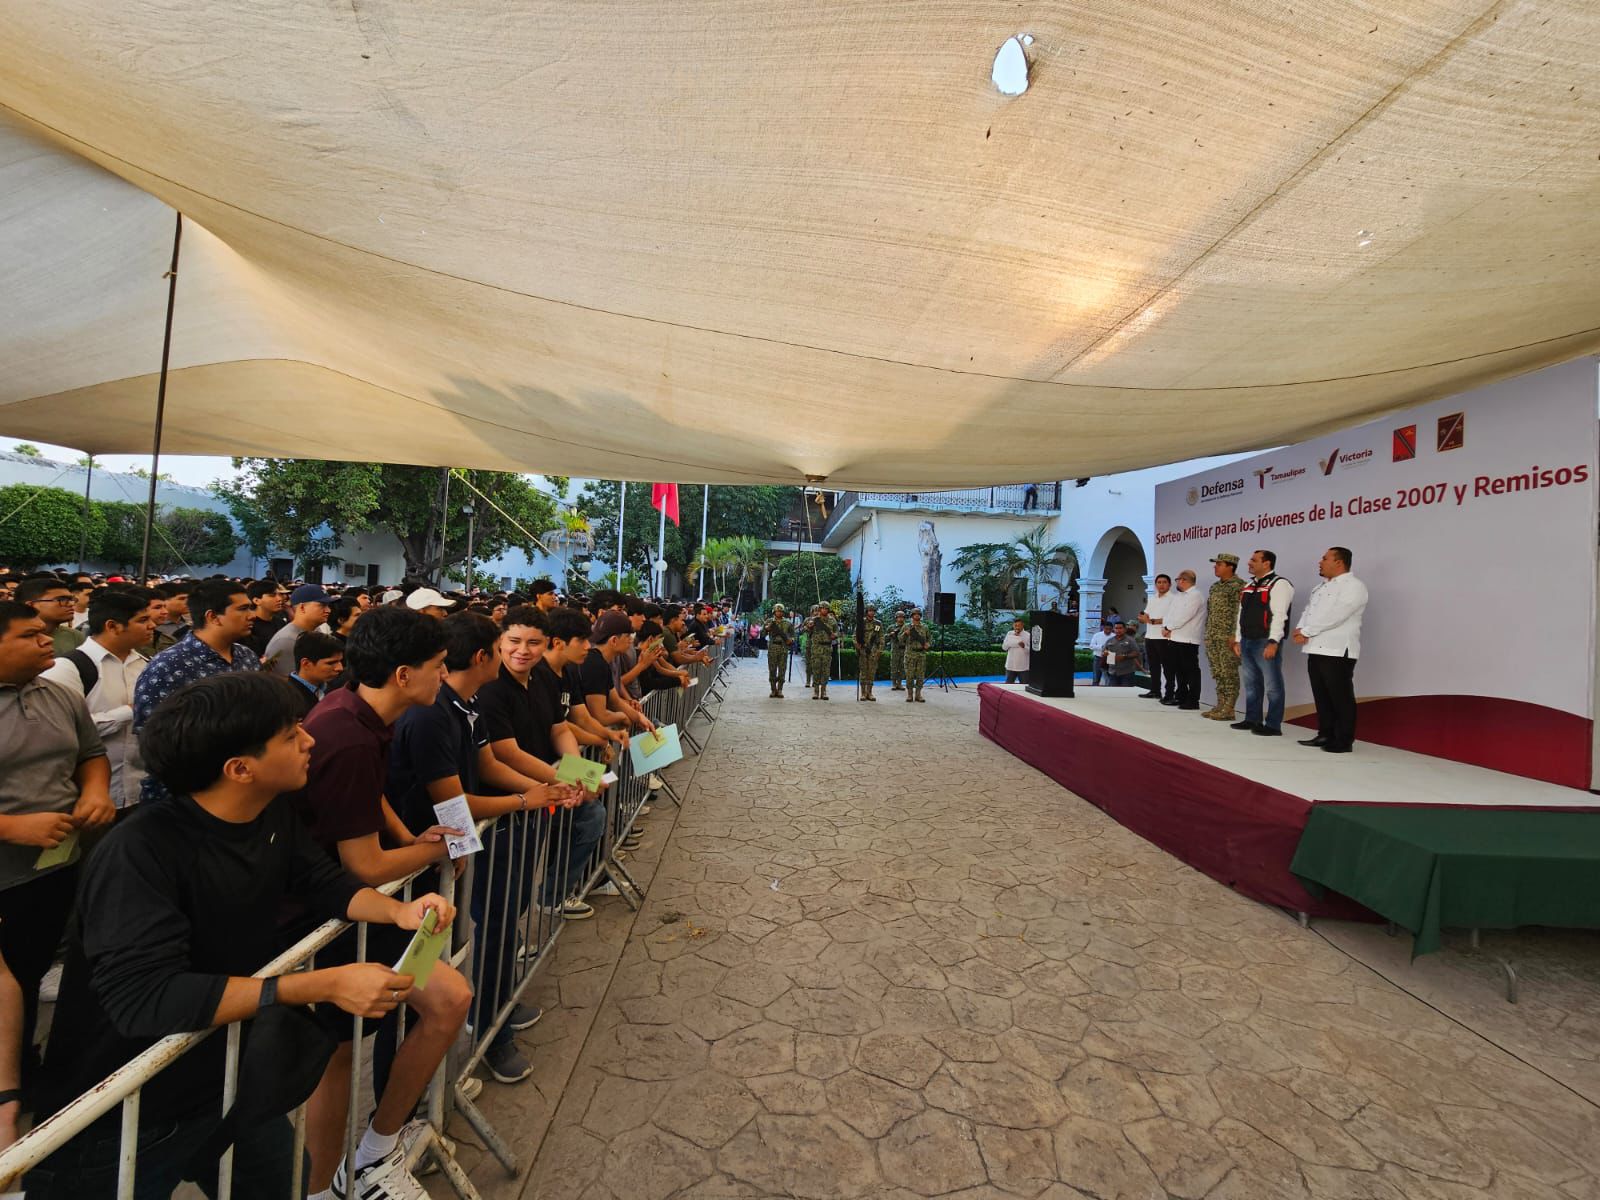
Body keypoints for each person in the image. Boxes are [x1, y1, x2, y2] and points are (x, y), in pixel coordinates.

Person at [29, 672, 457, 1200]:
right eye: (291, 735)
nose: (310, 740)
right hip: (117, 1113)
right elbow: (147, 998)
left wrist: (400, 911)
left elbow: (322, 883)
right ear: (239, 769)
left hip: (226, 1081)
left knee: (284, 1183)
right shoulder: (139, 852)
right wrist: (323, 985)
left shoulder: (270, 812)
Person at [294, 605, 471, 1200]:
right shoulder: (345, 735)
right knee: (340, 1056)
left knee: (440, 1003)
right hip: (332, 915)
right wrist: (429, 852)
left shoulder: (361, 712)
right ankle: (333, 1181)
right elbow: (364, 866)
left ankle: (371, 1153)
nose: (443, 676)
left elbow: (370, 799)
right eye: (438, 665)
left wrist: (410, 838)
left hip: (354, 907)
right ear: (402, 674)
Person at [387, 612, 577, 1084]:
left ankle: (490, 1017)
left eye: (534, 641)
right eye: (508, 643)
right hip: (425, 862)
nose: (520, 652)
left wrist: (563, 783)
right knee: (424, 975)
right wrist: (527, 799)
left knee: (483, 937)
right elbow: (454, 800)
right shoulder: (434, 711)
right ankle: (433, 1082)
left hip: (456, 852)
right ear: (484, 655)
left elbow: (489, 762)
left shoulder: (474, 700)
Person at [0, 600, 114, 1102]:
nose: (48, 639)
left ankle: (24, 1068)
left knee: (29, 970)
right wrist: (11, 827)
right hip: (5, 872)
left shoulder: (60, 694)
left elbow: (92, 754)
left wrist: (95, 791)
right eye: (30, 635)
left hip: (54, 866)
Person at [477, 606, 607, 921]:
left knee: (521, 888)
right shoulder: (492, 686)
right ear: (500, 641)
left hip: (539, 795)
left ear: (546, 643)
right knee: (499, 899)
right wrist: (565, 781)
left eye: (533, 643)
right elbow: (507, 752)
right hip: (504, 802)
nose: (522, 650)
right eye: (514, 641)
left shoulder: (543, 677)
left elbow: (559, 729)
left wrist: (582, 775)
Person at [133, 580, 261, 802]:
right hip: (185, 793)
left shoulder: (247, 657)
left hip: (242, 785)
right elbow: (152, 736)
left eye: (251, 608)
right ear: (213, 617)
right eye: (243, 609)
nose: (252, 615)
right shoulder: (168, 665)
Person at [39, 586, 157, 811]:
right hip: (89, 799)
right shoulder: (69, 667)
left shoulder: (145, 664)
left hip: (139, 792)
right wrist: (130, 711)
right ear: (112, 626)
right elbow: (61, 731)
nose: (152, 626)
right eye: (143, 620)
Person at [1292, 547, 1368, 754]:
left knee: (1340, 697)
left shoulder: (1354, 586)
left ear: (1339, 562)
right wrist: (1300, 628)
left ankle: (1343, 740)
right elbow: (1308, 610)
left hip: (1337, 650)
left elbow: (1336, 615)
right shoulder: (1320, 586)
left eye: (1325, 558)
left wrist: (1306, 631)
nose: (1320, 562)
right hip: (1315, 647)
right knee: (1322, 695)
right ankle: (1325, 734)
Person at [1230, 549, 1296, 736]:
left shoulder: (1280, 584)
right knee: (1251, 684)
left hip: (1265, 640)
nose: (1249, 563)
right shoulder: (1249, 585)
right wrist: (1238, 639)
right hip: (1247, 640)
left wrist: (1273, 641)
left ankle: (1273, 725)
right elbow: (1241, 614)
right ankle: (1252, 719)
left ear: (1266, 563)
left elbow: (1280, 615)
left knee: (1273, 685)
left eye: (1254, 560)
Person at [1201, 555, 1245, 720]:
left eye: (1219, 564)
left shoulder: (1239, 586)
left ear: (1230, 566)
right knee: (1217, 672)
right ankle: (1220, 704)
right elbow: (1210, 611)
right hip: (1213, 636)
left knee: (1229, 672)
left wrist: (1235, 635)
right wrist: (1208, 633)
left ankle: (1229, 708)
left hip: (1228, 637)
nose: (1215, 567)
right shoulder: (1215, 587)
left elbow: (1240, 612)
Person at [261, 583, 333, 677]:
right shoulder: (287, 640)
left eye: (328, 605)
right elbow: (284, 680)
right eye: (322, 605)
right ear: (302, 607)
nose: (328, 610)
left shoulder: (315, 630)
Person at [1161, 570, 1205, 710]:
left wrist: (1168, 627)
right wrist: (1165, 627)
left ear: (1184, 580)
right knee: (1179, 670)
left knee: (1191, 671)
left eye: (1178, 580)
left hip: (1188, 639)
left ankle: (1193, 700)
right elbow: (1169, 613)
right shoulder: (1178, 596)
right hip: (1175, 637)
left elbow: (1185, 616)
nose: (1177, 582)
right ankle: (1181, 695)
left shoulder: (1196, 595)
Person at [15, 576, 85, 655]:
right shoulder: (10, 637)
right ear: (31, 605)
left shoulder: (74, 636)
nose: (71, 604)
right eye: (61, 600)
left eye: (71, 599)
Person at [287, 630, 346, 720]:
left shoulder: (336, 685)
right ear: (306, 664)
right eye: (330, 663)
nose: (340, 668)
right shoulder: (289, 701)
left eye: (340, 661)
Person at [1137, 575, 1173, 701]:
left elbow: (1172, 618)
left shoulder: (1173, 599)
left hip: (1164, 637)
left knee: (1168, 667)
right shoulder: (1152, 598)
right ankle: (1155, 690)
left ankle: (1169, 693)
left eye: (1164, 582)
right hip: (1150, 636)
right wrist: (1142, 618)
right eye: (1159, 582)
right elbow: (1146, 616)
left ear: (1170, 584)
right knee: (1153, 666)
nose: (1161, 585)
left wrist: (1151, 621)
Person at [243, 580, 287, 656]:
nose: (280, 599)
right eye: (272, 595)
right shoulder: (249, 626)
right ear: (256, 600)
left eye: (280, 594)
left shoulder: (280, 622)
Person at [806, 605, 837, 700]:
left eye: (826, 609)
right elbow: (806, 630)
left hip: (827, 647)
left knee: (826, 670)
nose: (824, 610)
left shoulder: (832, 620)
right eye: (822, 608)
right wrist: (809, 626)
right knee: (816, 669)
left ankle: (824, 691)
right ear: (820, 609)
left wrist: (834, 635)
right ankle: (816, 691)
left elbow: (837, 632)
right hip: (816, 647)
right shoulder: (814, 620)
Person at [764, 604, 794, 698]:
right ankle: (773, 689)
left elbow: (793, 635)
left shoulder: (788, 623)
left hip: (783, 648)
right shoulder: (769, 621)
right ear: (774, 612)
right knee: (772, 669)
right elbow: (762, 633)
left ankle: (780, 689)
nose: (779, 613)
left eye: (781, 611)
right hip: (773, 647)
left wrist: (791, 640)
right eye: (777, 611)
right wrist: (767, 628)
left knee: (782, 670)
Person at [900, 609, 930, 702]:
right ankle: (910, 694)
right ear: (912, 616)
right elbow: (900, 639)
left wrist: (928, 644)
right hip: (910, 654)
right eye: (915, 614)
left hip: (921, 654)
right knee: (909, 675)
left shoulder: (925, 627)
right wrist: (905, 633)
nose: (917, 616)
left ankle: (918, 694)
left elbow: (929, 639)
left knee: (920, 675)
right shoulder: (906, 626)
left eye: (918, 614)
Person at [855, 605, 884, 700]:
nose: (872, 612)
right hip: (863, 650)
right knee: (863, 672)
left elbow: (881, 637)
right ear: (866, 611)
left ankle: (870, 692)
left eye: (873, 611)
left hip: (873, 650)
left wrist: (880, 650)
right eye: (870, 610)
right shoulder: (861, 622)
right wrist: (856, 644)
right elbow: (855, 635)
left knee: (871, 672)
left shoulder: (878, 623)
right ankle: (863, 693)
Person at [1102, 620, 1142, 686]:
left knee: (1125, 691)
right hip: (1113, 672)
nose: (1118, 630)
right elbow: (1103, 652)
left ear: (1125, 629)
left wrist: (1125, 656)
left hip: (1127, 672)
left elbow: (1136, 653)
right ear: (1114, 629)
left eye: (1120, 628)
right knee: (1112, 691)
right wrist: (1105, 653)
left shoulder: (1130, 640)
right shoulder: (1109, 640)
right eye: (1116, 628)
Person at [1001, 617, 1030, 685]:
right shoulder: (1009, 634)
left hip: (1023, 667)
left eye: (1019, 625)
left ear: (1022, 625)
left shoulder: (1028, 635)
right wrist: (1011, 642)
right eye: (1015, 625)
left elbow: (1031, 651)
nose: (1017, 627)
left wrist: (1024, 646)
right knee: (1008, 686)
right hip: (1010, 666)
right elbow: (1004, 648)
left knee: (1024, 686)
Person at [887, 611, 908, 691]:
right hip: (895, 649)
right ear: (896, 618)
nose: (900, 619)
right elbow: (884, 637)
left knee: (902, 667)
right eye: (899, 617)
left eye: (902, 617)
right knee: (894, 666)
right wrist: (890, 634)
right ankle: (893, 683)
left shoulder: (907, 627)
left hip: (904, 649)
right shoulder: (891, 627)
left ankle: (900, 683)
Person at [1089, 621, 1112, 686]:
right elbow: (1091, 646)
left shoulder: (1114, 636)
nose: (1108, 631)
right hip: (1098, 657)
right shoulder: (1097, 635)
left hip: (1110, 658)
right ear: (1103, 628)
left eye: (1110, 629)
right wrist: (1102, 647)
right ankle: (1095, 688)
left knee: (1109, 677)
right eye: (1106, 629)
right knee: (1096, 676)